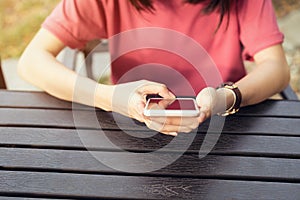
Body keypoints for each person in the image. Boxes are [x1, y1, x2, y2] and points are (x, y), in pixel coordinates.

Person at [18, 0, 290, 136]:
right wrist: (110, 97)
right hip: (131, 130)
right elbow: (32, 61)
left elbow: (276, 67)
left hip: (228, 128)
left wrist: (226, 97)